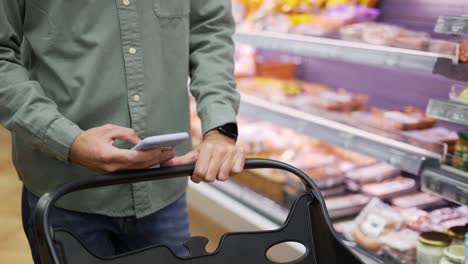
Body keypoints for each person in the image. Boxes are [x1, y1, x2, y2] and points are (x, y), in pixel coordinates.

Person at [0, 0, 244, 262]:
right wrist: (67, 139)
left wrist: (220, 128)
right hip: (64, 192)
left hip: (163, 187)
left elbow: (210, 30)